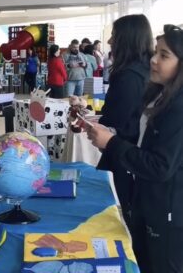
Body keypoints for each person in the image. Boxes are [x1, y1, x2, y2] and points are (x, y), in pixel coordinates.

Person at [86, 24, 183, 273]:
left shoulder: (178, 107)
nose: (153, 60)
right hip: (145, 202)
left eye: (164, 55)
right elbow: (139, 140)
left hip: (167, 214)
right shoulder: (159, 95)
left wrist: (111, 143)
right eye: (155, 52)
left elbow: (160, 166)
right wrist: (110, 135)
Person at [97, 14, 154, 227]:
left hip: (125, 156)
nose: (110, 42)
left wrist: (94, 123)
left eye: (113, 36)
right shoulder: (142, 71)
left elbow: (115, 120)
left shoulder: (130, 76)